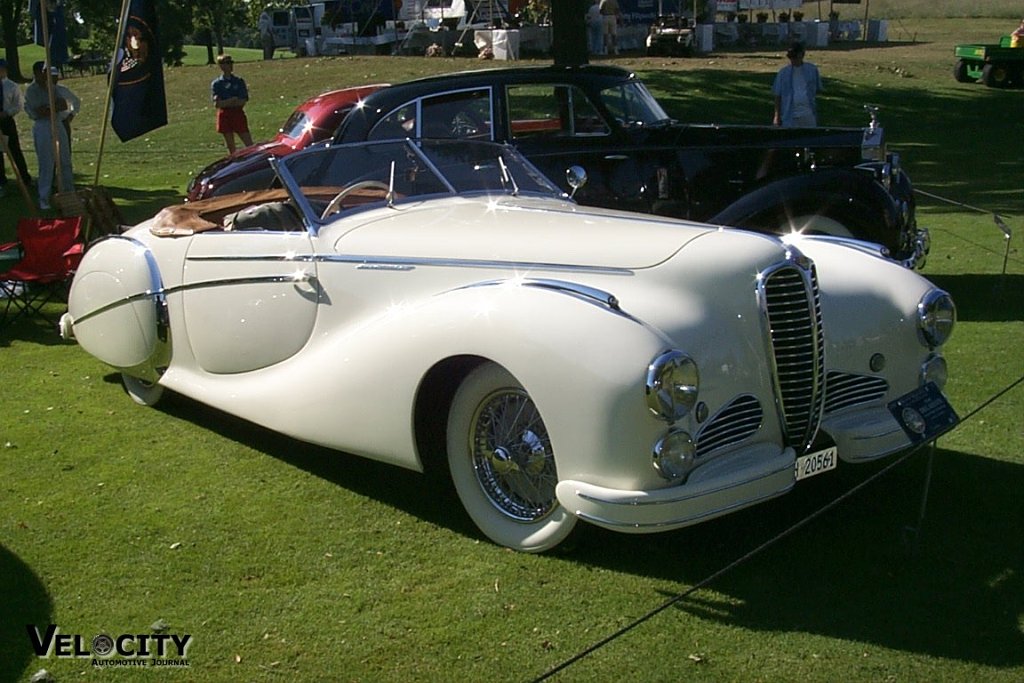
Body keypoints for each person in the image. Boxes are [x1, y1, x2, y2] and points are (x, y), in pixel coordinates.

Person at [25, 61, 79, 210]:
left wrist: (51, 107)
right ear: (36, 73)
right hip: (42, 125)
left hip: (57, 122)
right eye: (43, 72)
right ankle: (44, 198)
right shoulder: (31, 91)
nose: (46, 75)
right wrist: (52, 107)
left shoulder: (53, 88)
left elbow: (63, 105)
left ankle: (69, 193)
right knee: (46, 163)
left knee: (65, 159)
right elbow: (39, 111)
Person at [0, 58, 32, 197]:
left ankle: (25, 178)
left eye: (2, 69)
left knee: (14, 149)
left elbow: (18, 104)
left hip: (6, 121)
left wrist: (6, 112)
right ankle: (1, 181)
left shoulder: (11, 86)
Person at [772, 41, 822, 128]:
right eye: (790, 57)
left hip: (808, 114)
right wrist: (777, 116)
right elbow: (777, 95)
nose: (793, 60)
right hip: (790, 115)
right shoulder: (783, 73)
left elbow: (817, 89)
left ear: (801, 55)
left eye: (794, 57)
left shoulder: (812, 70)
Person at [211, 54, 253, 155]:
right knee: (231, 146)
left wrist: (227, 102)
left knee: (249, 143)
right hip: (225, 115)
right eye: (227, 63)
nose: (230, 65)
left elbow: (242, 100)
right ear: (221, 66)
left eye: (231, 62)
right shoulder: (217, 84)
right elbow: (218, 104)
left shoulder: (239, 81)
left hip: (237, 113)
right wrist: (231, 100)